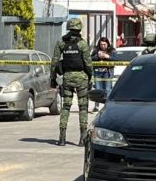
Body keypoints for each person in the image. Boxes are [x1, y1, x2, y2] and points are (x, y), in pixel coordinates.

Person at [50, 18, 93, 146]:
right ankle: (82, 139)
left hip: (67, 77)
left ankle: (62, 138)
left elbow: (54, 61)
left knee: (66, 107)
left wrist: (53, 78)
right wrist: (91, 77)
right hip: (81, 78)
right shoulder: (82, 44)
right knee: (83, 108)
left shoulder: (61, 42)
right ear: (80, 28)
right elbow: (88, 64)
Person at [90, 37, 117, 112]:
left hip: (107, 72)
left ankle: (107, 106)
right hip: (97, 72)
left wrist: (107, 56)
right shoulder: (96, 50)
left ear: (107, 43)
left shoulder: (112, 50)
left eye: (104, 44)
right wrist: (97, 56)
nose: (103, 46)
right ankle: (96, 106)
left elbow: (116, 59)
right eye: (101, 44)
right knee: (98, 90)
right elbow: (90, 58)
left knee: (107, 89)